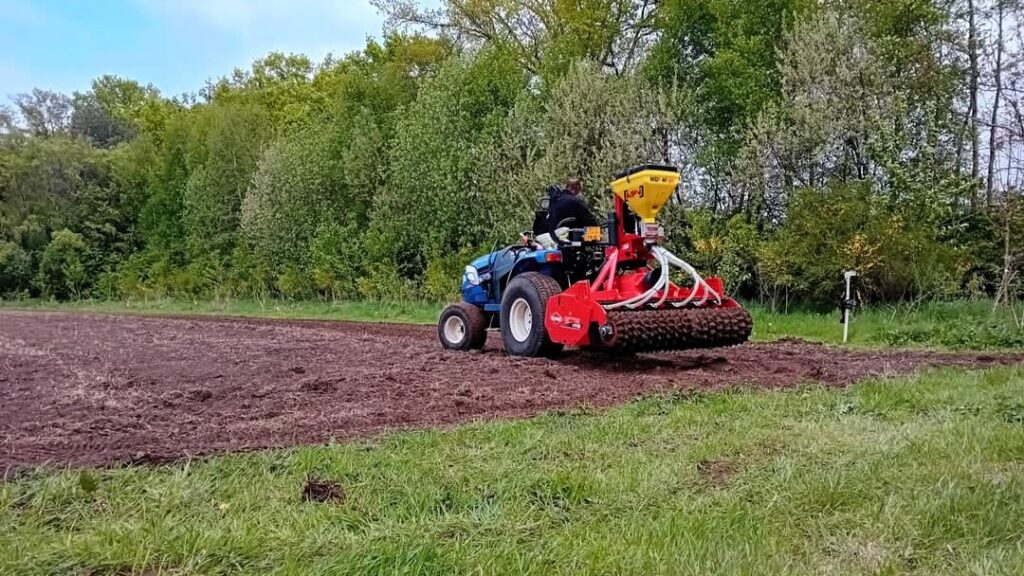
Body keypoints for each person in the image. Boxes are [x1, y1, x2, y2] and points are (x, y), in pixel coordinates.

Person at [534, 179, 599, 248]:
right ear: (575, 188)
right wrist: (596, 237)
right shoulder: (575, 201)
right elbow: (590, 220)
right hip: (570, 239)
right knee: (594, 233)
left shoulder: (554, 201)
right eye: (579, 190)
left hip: (554, 236)